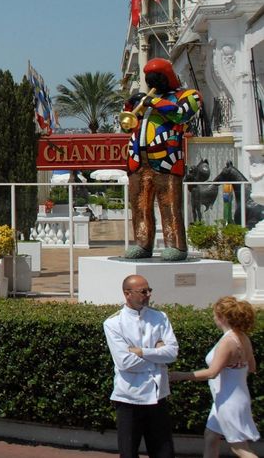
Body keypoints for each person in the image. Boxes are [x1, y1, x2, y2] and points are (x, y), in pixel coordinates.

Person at [123, 58, 202, 261]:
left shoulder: (187, 95)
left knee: (169, 204)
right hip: (138, 160)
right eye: (150, 80)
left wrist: (155, 102)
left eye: (157, 79)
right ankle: (142, 244)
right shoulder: (143, 102)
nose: (153, 84)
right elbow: (127, 125)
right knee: (139, 205)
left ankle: (175, 245)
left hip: (166, 159)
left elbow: (181, 115)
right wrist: (132, 104)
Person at [169, 297, 259, 458]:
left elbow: (212, 372)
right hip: (233, 397)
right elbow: (252, 367)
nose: (213, 317)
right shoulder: (243, 337)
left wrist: (178, 375)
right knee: (211, 436)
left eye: (215, 314)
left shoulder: (227, 341)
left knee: (239, 448)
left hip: (228, 401)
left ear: (222, 317)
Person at [104, 274, 179, 458]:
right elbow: (125, 362)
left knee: (164, 453)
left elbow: (172, 353)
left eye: (149, 290)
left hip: (157, 395)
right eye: (142, 291)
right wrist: (157, 352)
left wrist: (142, 352)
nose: (147, 295)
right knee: (129, 453)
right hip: (130, 398)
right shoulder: (114, 323)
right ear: (127, 294)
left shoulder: (160, 317)